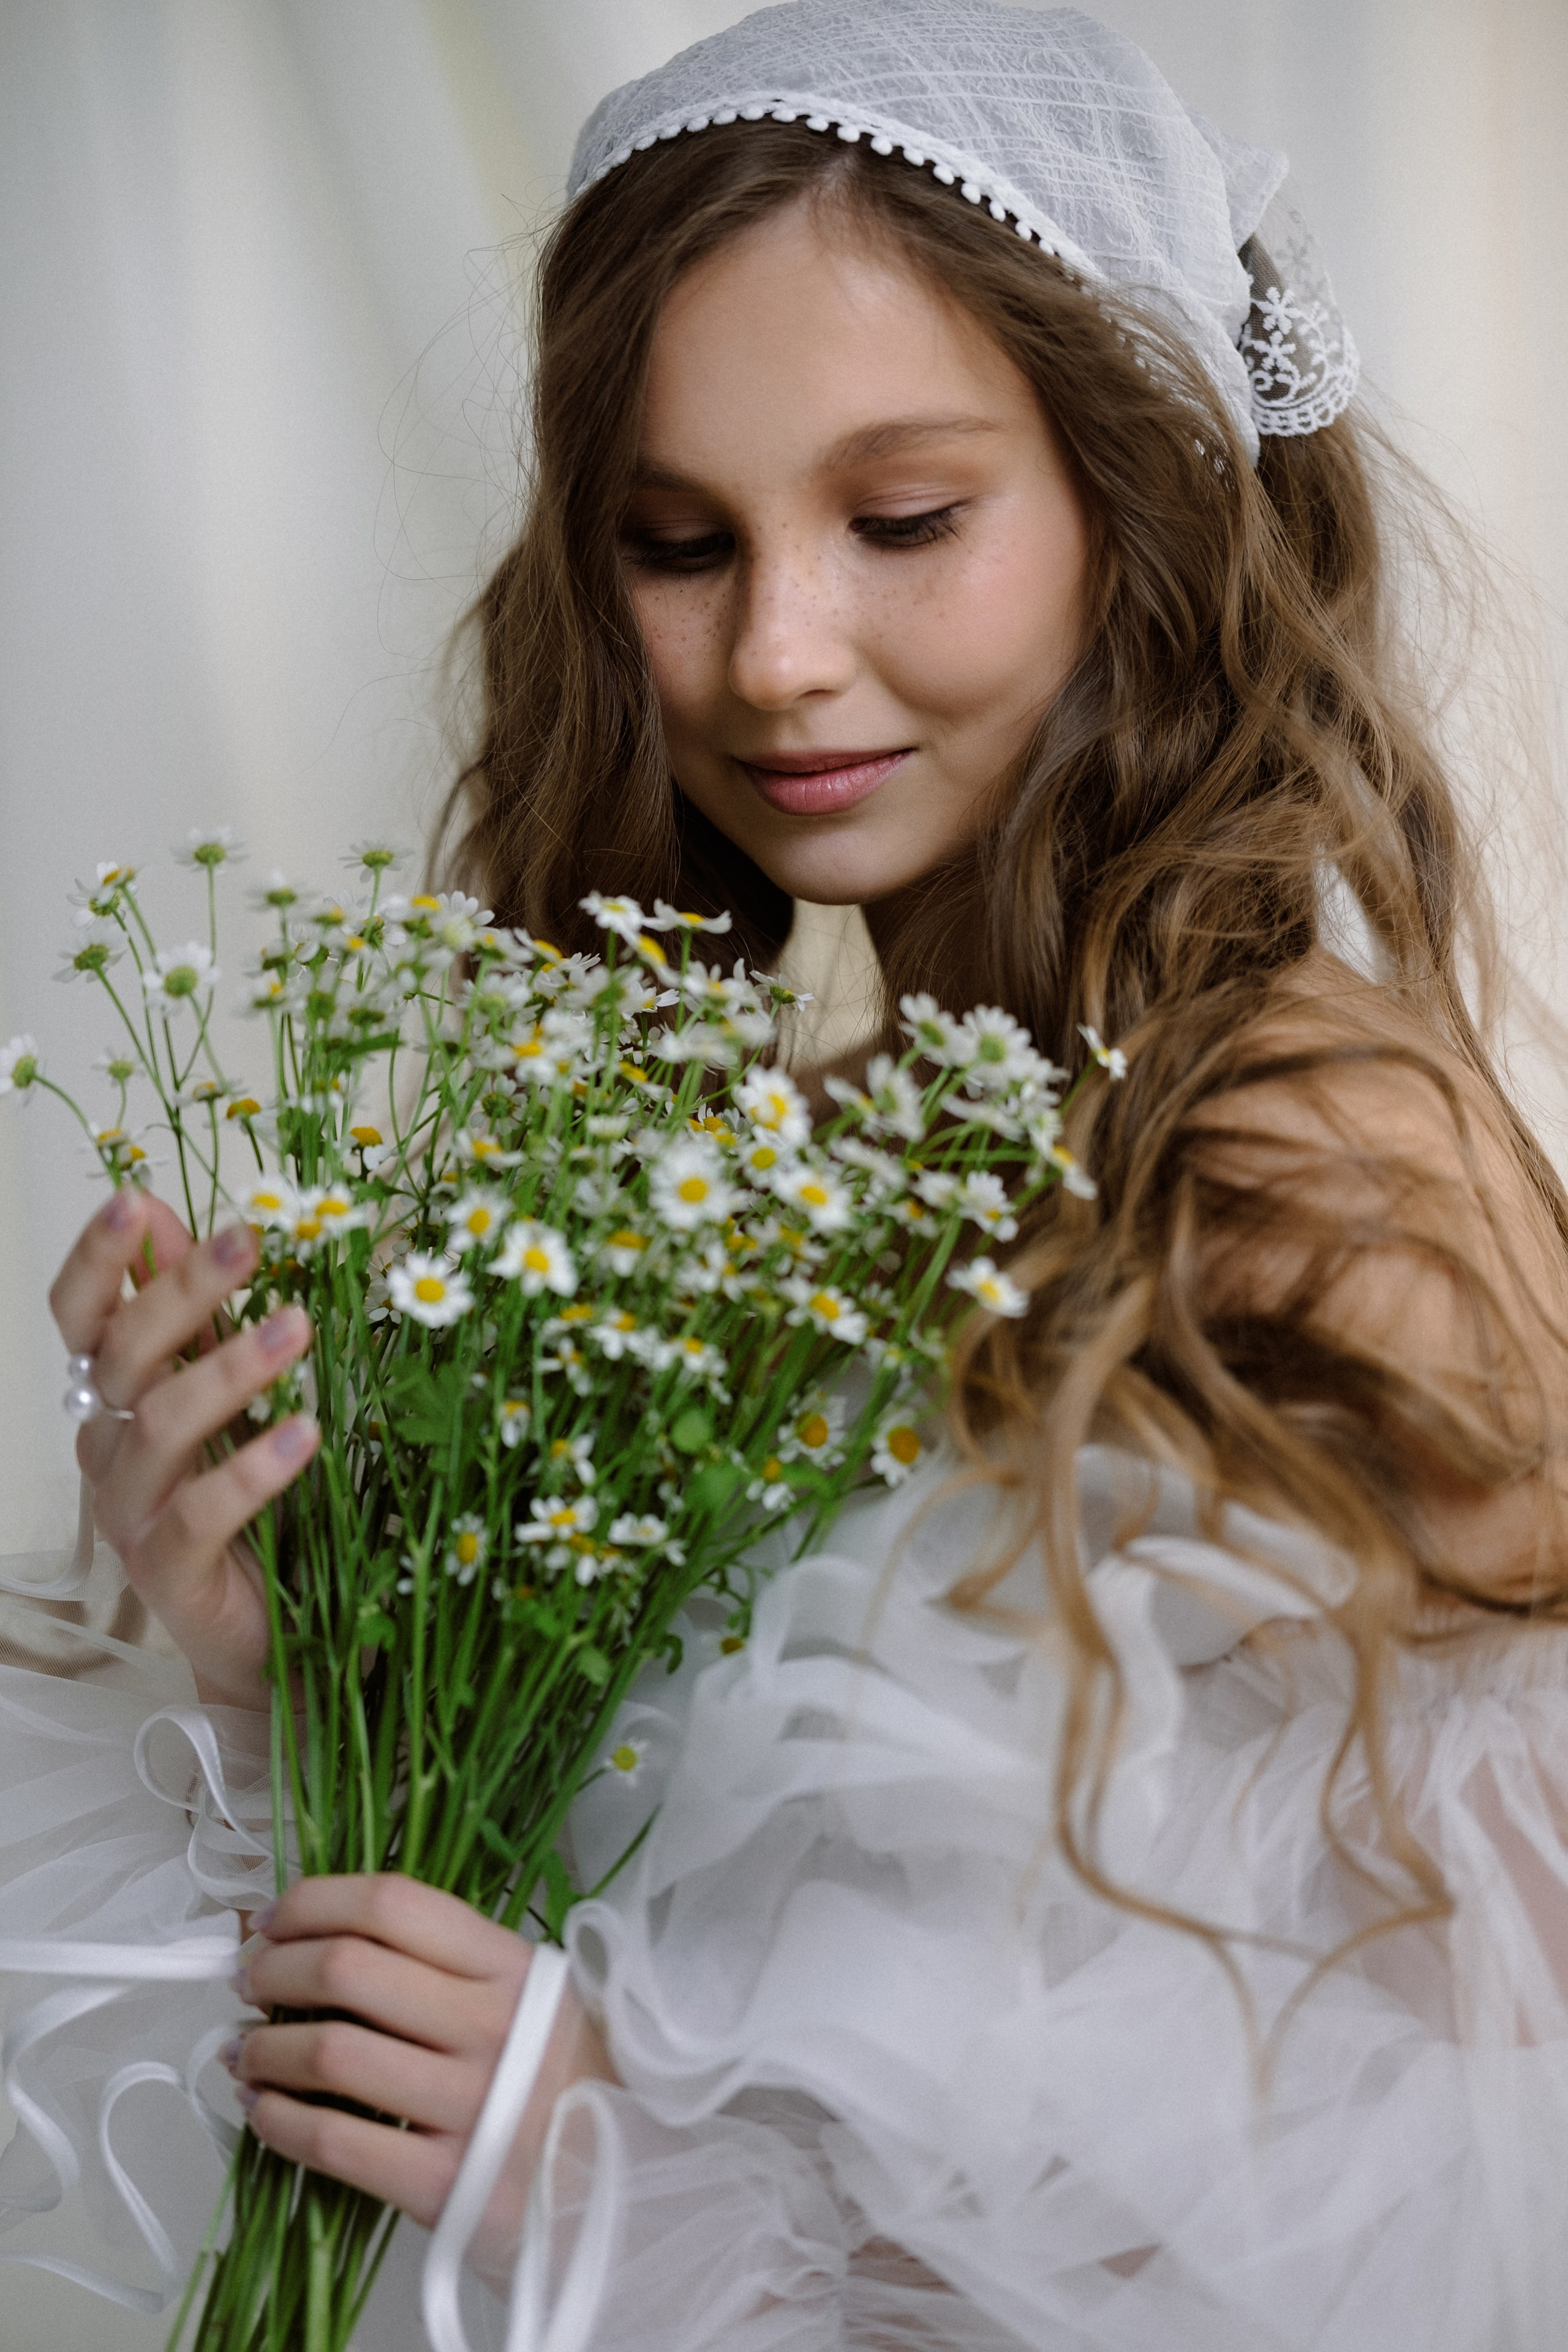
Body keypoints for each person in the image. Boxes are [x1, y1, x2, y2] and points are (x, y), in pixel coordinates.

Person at [14, 3, 1568, 2344]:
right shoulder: (761, 1188)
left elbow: (1461, 2175)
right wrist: (296, 1681)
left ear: (1136, 505)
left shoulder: (1306, 1160)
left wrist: (609, 2158)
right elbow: (671, 1915)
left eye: (905, 520)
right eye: (674, 542)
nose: (774, 655)